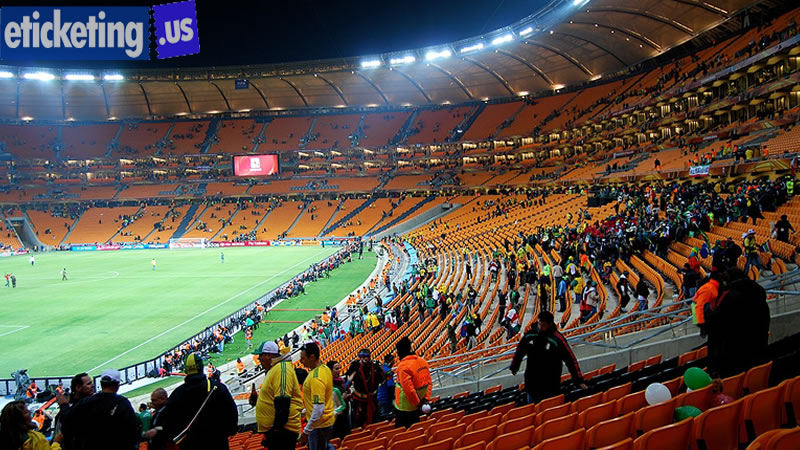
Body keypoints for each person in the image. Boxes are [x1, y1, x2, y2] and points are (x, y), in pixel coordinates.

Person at [161, 353, 238, 450]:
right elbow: (232, 413)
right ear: (202, 368)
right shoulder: (218, 388)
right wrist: (229, 431)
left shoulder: (178, 394)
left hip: (189, 445)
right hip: (217, 442)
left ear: (186, 370)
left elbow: (167, 422)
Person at [510, 311, 588, 403]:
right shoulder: (530, 335)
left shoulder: (557, 339)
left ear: (550, 324)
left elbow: (570, 359)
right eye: (539, 324)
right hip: (532, 383)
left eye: (543, 325)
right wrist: (515, 365)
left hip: (551, 385)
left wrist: (578, 380)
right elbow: (520, 350)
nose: (540, 327)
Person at [704, 268, 770, 378]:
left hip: (733, 363)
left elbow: (714, 324)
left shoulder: (730, 300)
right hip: (757, 359)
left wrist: (707, 305)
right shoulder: (759, 297)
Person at [61, 369, 139, 450]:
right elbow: (134, 431)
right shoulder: (122, 403)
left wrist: (64, 405)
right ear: (118, 385)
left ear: (101, 384)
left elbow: (66, 421)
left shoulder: (86, 402)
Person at [250, 341, 303, 450]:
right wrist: (257, 400)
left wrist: (277, 429)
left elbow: (283, 401)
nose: (258, 359)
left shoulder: (282, 369)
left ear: (268, 355)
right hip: (277, 432)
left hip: (282, 433)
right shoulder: (274, 369)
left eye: (260, 355)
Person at [298, 342, 335, 450]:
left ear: (312, 357)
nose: (300, 361)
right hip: (325, 423)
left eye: (303, 358)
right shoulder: (325, 368)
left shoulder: (316, 378)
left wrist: (306, 431)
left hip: (319, 426)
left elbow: (318, 409)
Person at [393, 337, 432, 429]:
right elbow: (429, 383)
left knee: (403, 430)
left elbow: (409, 390)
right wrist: (425, 399)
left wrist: (417, 403)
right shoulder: (423, 361)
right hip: (420, 403)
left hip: (404, 407)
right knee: (416, 428)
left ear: (399, 352)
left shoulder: (403, 367)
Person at [345, 348, 384, 428]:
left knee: (375, 419)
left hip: (372, 398)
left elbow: (382, 379)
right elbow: (348, 380)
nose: (362, 360)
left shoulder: (376, 366)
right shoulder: (355, 366)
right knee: (359, 421)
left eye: (364, 357)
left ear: (369, 357)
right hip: (359, 400)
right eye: (360, 357)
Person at [326, 361, 351, 440]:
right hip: (337, 419)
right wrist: (342, 399)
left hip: (345, 414)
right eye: (336, 369)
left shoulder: (341, 381)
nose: (339, 370)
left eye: (339, 368)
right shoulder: (329, 384)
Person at [376, 354, 395, 419]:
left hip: (379, 397)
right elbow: (390, 386)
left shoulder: (381, 368)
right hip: (386, 398)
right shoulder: (388, 371)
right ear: (389, 361)